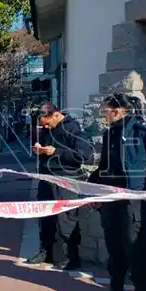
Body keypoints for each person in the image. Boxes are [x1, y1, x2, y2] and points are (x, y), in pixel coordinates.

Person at [89, 93, 146, 291]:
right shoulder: (109, 135)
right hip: (111, 200)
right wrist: (89, 189)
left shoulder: (142, 132)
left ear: (116, 110)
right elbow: (104, 167)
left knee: (135, 249)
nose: (103, 115)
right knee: (114, 248)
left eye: (105, 110)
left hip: (134, 202)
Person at [28, 103, 94, 269]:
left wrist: (56, 151)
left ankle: (68, 257)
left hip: (65, 180)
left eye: (47, 123)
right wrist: (39, 149)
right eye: (43, 125)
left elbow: (85, 156)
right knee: (45, 216)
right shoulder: (48, 129)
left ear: (55, 115)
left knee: (65, 220)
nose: (46, 126)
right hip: (46, 177)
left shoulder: (73, 129)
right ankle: (46, 251)